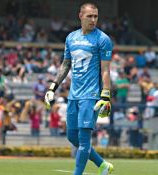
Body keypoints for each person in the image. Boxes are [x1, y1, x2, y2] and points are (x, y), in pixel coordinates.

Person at [45, 3, 114, 175]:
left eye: (96, 16)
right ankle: (103, 165)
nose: (93, 20)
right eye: (90, 16)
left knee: (84, 141)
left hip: (90, 95)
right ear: (80, 16)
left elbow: (106, 70)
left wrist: (105, 96)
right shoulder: (71, 38)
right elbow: (65, 64)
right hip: (73, 95)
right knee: (71, 136)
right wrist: (53, 87)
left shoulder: (103, 39)